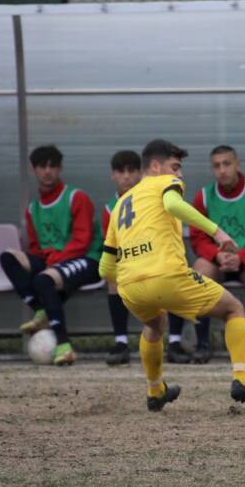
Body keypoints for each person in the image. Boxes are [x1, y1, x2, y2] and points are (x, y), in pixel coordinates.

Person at [99, 139, 245, 413]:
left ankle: (155, 390)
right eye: (175, 166)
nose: (180, 174)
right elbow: (172, 205)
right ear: (156, 166)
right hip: (167, 276)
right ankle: (242, 379)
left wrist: (126, 279)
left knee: (155, 324)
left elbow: (105, 268)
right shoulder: (165, 183)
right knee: (233, 309)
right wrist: (217, 232)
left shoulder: (120, 204)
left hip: (131, 288)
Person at [166, 145, 245, 364]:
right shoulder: (204, 196)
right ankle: (203, 342)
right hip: (218, 259)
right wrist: (217, 256)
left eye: (227, 164)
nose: (222, 170)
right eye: (217, 166)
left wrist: (241, 257)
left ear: (237, 164)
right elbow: (197, 237)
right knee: (201, 270)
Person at [0, 145, 102, 366]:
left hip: (87, 261)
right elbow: (36, 248)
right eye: (42, 167)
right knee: (8, 258)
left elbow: (82, 242)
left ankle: (64, 346)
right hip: (54, 263)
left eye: (52, 166)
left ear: (60, 169)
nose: (47, 171)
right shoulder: (33, 208)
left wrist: (53, 262)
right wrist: (45, 261)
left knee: (44, 279)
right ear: (33, 170)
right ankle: (40, 309)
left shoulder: (76, 198)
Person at [102, 150, 142, 366]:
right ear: (113, 175)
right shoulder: (109, 208)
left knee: (167, 273)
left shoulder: (151, 200)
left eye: (131, 171)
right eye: (121, 171)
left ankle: (173, 342)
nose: (126, 176)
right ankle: (121, 343)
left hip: (153, 259)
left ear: (140, 174)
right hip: (127, 262)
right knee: (113, 277)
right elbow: (110, 247)